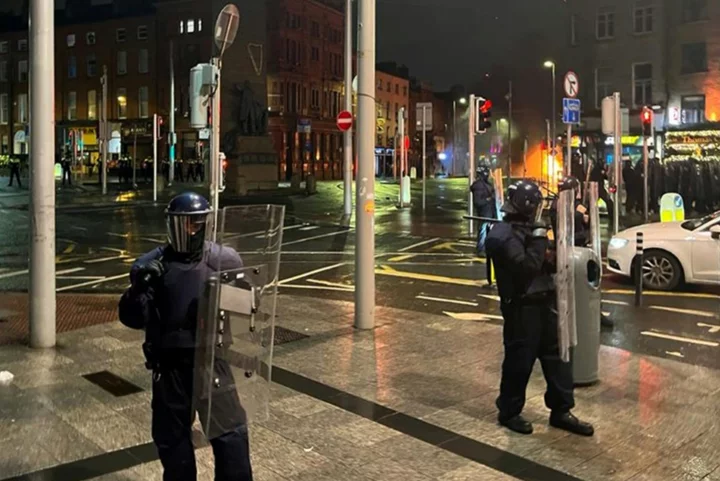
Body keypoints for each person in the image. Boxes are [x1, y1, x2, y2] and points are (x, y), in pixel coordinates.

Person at [118, 192, 254, 481]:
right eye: (184, 224)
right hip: (169, 367)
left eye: (196, 224)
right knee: (174, 444)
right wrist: (138, 290)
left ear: (205, 224)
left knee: (231, 438)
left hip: (212, 361)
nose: (190, 231)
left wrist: (234, 293)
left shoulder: (224, 259)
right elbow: (131, 318)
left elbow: (246, 313)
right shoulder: (151, 265)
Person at [486, 179, 594, 437]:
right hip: (521, 308)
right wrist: (537, 239)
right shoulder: (501, 235)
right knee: (519, 362)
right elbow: (525, 269)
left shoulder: (523, 229)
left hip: (546, 301)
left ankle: (561, 409)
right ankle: (509, 411)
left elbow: (546, 262)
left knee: (557, 359)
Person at [470, 164, 496, 254]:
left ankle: (484, 248)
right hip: (485, 212)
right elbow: (478, 201)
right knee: (483, 230)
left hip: (489, 212)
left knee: (486, 230)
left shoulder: (485, 184)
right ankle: (481, 249)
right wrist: (489, 199)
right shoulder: (479, 186)